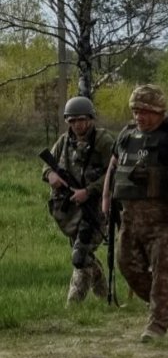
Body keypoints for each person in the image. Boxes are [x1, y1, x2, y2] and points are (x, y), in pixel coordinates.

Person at [102, 85, 168, 342]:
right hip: (131, 218)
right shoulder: (127, 135)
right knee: (127, 265)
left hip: (167, 220)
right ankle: (164, 303)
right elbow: (114, 166)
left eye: (147, 111)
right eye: (136, 111)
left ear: (160, 111)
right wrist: (106, 198)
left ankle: (157, 326)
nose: (141, 116)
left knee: (163, 272)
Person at [42, 96, 114, 304]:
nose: (77, 125)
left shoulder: (103, 141)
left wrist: (89, 190)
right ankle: (103, 297)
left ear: (90, 119)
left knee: (80, 257)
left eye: (81, 120)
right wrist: (50, 175)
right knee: (84, 255)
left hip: (96, 207)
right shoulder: (64, 141)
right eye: (72, 121)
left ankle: (73, 306)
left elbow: (115, 172)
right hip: (71, 210)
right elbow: (47, 165)